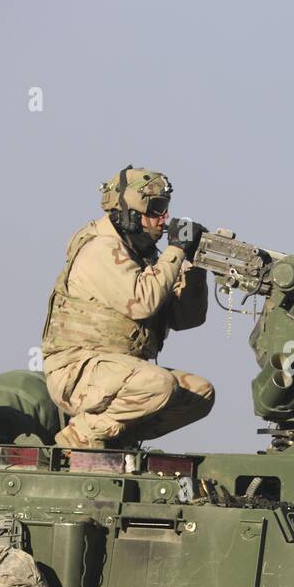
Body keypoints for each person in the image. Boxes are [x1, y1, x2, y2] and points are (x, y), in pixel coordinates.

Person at [41, 166, 213, 448]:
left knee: (200, 394)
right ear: (130, 212)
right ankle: (77, 438)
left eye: (166, 208)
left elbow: (187, 319)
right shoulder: (100, 249)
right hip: (77, 371)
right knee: (158, 384)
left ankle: (114, 439)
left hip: (118, 373)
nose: (164, 218)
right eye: (157, 209)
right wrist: (176, 251)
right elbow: (143, 303)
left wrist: (194, 267)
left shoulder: (143, 254)